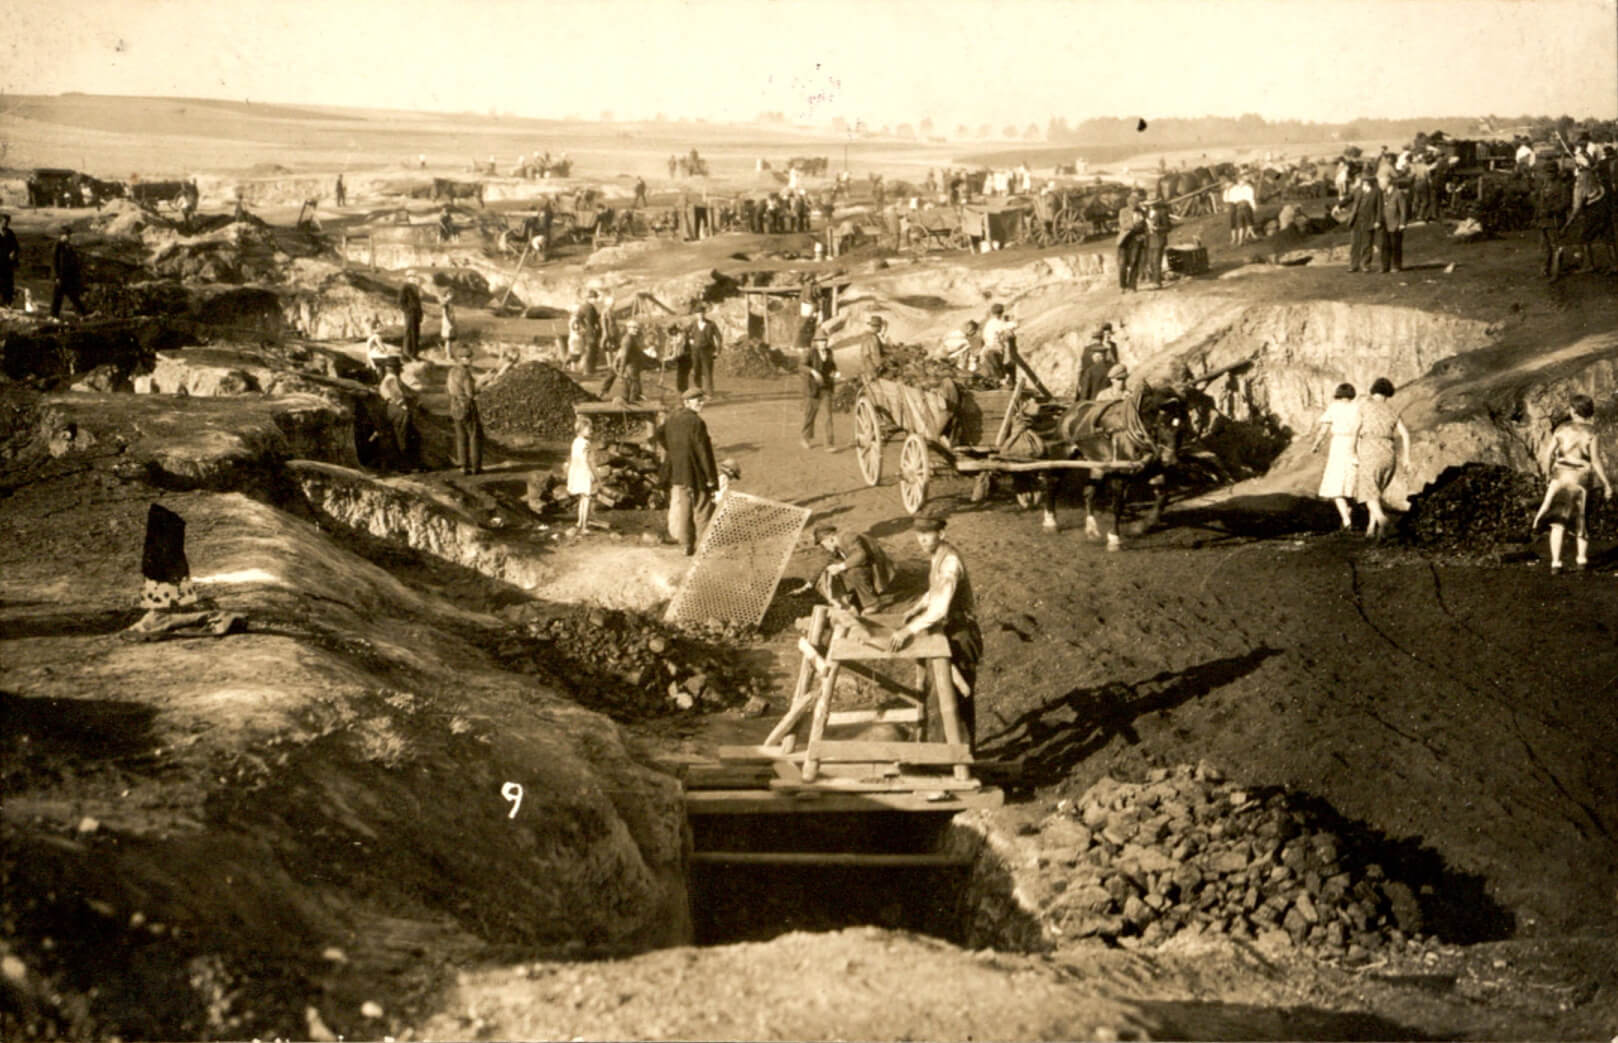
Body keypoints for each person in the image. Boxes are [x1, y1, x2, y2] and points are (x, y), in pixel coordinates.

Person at [888, 513, 982, 746]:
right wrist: (917, 607)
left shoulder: (950, 561)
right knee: (941, 695)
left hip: (960, 635)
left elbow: (940, 608)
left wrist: (907, 631)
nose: (922, 539)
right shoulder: (938, 555)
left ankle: (956, 755)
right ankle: (946, 751)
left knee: (952, 700)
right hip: (947, 631)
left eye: (927, 534)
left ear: (941, 534)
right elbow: (935, 591)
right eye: (919, 534)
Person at [1532, 394, 1612, 573]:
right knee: (1581, 519)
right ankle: (1581, 560)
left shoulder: (1561, 429)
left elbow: (1548, 454)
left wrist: (1547, 473)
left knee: (1557, 522)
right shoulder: (1592, 432)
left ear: (1574, 411)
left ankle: (1556, 563)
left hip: (1560, 477)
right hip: (1581, 479)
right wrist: (1606, 483)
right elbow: (1596, 460)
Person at [659, 387, 718, 555]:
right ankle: (704, 548)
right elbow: (703, 451)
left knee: (685, 509)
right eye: (698, 400)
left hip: (679, 472)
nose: (701, 403)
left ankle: (686, 545)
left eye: (702, 400)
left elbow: (659, 434)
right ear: (686, 402)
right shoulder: (696, 422)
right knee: (703, 508)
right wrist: (710, 477)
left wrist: (674, 450)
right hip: (697, 473)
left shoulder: (672, 418)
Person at [1354, 377, 1411, 539]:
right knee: (1376, 492)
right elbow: (1405, 435)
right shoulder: (1393, 411)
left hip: (1369, 450)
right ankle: (1372, 529)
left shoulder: (1364, 407)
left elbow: (1354, 431)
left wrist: (1352, 453)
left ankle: (1383, 521)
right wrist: (1406, 458)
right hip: (1389, 453)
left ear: (1373, 391)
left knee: (1368, 492)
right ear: (1388, 394)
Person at [803, 524, 896, 613]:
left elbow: (861, 555)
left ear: (830, 539)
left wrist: (840, 567)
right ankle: (851, 600)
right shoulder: (834, 546)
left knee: (853, 571)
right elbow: (824, 564)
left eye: (823, 544)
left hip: (877, 566)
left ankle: (872, 604)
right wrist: (809, 583)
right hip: (865, 566)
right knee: (833, 570)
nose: (824, 547)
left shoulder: (848, 537)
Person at [1310, 382, 1360, 530]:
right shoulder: (1358, 407)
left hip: (1339, 444)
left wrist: (1316, 444)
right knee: (1352, 481)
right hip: (1355, 443)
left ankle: (1346, 520)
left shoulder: (1334, 407)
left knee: (1335, 484)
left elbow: (1323, 429)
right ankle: (1349, 514)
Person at [445, 342, 483, 476]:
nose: (471, 359)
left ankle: (463, 466)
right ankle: (476, 466)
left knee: (461, 437)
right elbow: (470, 393)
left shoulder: (451, 371)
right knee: (474, 435)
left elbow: (449, 389)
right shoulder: (465, 373)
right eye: (468, 357)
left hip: (454, 406)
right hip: (466, 406)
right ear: (462, 358)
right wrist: (481, 385)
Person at [800, 331, 838, 449]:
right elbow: (801, 366)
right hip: (812, 389)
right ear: (816, 342)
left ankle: (829, 443)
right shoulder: (810, 352)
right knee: (810, 415)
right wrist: (813, 371)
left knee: (828, 416)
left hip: (826, 388)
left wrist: (835, 373)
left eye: (825, 341)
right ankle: (805, 438)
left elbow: (833, 366)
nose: (823, 343)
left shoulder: (829, 352)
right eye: (821, 341)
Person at [377, 359, 418, 470]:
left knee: (396, 436)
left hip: (390, 408)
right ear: (393, 369)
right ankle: (404, 466)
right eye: (398, 367)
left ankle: (398, 464)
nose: (400, 369)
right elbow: (396, 395)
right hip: (397, 409)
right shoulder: (392, 379)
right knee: (402, 436)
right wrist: (404, 407)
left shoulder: (387, 379)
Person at [567, 415, 599, 536]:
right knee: (586, 499)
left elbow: (575, 459)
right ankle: (584, 526)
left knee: (583, 498)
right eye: (588, 429)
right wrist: (592, 474)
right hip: (584, 472)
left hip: (576, 471)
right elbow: (585, 460)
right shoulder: (586, 443)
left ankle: (580, 522)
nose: (591, 431)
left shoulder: (575, 442)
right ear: (580, 430)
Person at [1345, 172, 1382, 273]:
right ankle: (1353, 265)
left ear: (1371, 181)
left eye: (1366, 180)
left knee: (1367, 244)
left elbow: (1379, 207)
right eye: (1363, 180)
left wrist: (1378, 220)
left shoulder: (1377, 191)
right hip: (1356, 220)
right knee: (1354, 244)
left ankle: (1365, 265)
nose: (1364, 182)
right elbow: (1348, 199)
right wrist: (1339, 205)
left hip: (1369, 220)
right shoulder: (1358, 190)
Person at [50, 226, 90, 320]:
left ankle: (82, 313)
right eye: (66, 235)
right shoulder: (57, 246)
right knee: (58, 297)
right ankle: (54, 315)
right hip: (60, 276)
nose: (68, 237)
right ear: (61, 235)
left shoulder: (68, 246)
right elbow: (54, 263)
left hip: (67, 276)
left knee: (72, 295)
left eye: (68, 235)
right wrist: (56, 276)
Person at [1377, 172, 1408, 273]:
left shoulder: (1398, 193)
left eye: (1380, 183)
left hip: (1396, 224)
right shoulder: (1383, 194)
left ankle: (1396, 265)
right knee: (1384, 245)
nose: (1379, 185)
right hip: (1385, 224)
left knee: (1395, 246)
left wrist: (1402, 223)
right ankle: (1385, 266)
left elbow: (1403, 210)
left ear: (1387, 182)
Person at [689, 302, 721, 396]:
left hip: (707, 351)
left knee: (707, 372)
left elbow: (719, 337)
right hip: (695, 351)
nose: (700, 316)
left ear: (704, 313)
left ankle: (709, 393)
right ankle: (698, 392)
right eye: (698, 314)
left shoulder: (711, 324)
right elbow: (686, 333)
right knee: (696, 371)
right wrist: (690, 340)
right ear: (695, 315)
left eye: (702, 313)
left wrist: (717, 351)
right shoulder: (693, 324)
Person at [1117, 193, 1146, 292]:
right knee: (1122, 264)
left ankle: (1132, 286)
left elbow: (1144, 225)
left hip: (1136, 239)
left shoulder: (1141, 212)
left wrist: (1140, 228)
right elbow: (1123, 225)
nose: (1134, 206)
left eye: (1136, 204)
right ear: (1128, 204)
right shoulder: (1123, 211)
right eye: (1133, 204)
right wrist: (1135, 224)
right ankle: (1122, 286)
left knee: (1134, 263)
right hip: (1124, 240)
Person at [1077, 332, 1118, 401]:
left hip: (1094, 403)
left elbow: (1084, 394)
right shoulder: (1113, 367)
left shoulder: (1090, 370)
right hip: (1110, 402)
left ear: (1097, 357)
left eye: (1094, 356)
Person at [1143, 198, 1172, 288]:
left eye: (1152, 203)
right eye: (1149, 204)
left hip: (1159, 239)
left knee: (1156, 261)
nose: (1150, 205)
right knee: (1151, 260)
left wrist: (1157, 228)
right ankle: (1154, 280)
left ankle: (1157, 282)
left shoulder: (1162, 212)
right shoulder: (1147, 212)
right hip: (1149, 239)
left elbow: (1168, 227)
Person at [397, 280, 423, 361]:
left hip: (416, 315)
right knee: (409, 333)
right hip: (409, 315)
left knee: (416, 334)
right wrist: (408, 311)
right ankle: (407, 354)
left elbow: (418, 304)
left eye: (415, 276)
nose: (414, 278)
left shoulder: (415, 288)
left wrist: (420, 315)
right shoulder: (405, 288)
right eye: (412, 276)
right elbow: (401, 303)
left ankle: (414, 354)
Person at [0, 214, 19, 308]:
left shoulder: (10, 233)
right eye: (4, 222)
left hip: (7, 263)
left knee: (8, 283)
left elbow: (16, 246)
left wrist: (13, 252)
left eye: (7, 223)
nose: (6, 224)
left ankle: (8, 302)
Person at [438, 295, 457, 359]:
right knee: (448, 340)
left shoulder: (450, 303)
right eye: (449, 294)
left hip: (451, 322)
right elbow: (444, 312)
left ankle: (449, 353)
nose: (451, 296)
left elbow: (452, 313)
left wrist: (453, 321)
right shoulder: (445, 303)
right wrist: (448, 323)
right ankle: (448, 355)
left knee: (450, 340)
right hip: (447, 323)